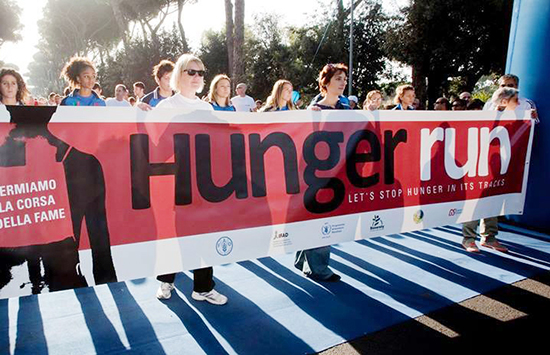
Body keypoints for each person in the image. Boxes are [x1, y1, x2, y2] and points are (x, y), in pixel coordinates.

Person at [154, 54, 228, 305]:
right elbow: (153, 146)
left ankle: (203, 287)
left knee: (205, 232)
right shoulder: (165, 107)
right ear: (179, 75)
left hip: (204, 183)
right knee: (172, 233)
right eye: (191, 72)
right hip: (174, 183)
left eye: (201, 72)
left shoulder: (207, 108)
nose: (197, 77)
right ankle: (166, 281)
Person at [297, 63, 350, 283]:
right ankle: (318, 268)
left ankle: (303, 258)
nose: (343, 82)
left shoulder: (346, 111)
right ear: (325, 83)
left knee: (319, 217)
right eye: (338, 78)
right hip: (316, 174)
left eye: (345, 79)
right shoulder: (314, 110)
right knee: (320, 218)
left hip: (338, 172)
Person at [461, 87, 519, 254]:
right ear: (504, 101)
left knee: (493, 200)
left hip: (498, 166)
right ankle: (469, 238)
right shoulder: (485, 116)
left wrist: (530, 120)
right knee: (475, 201)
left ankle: (489, 237)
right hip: (478, 166)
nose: (519, 103)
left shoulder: (514, 117)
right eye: (515, 100)